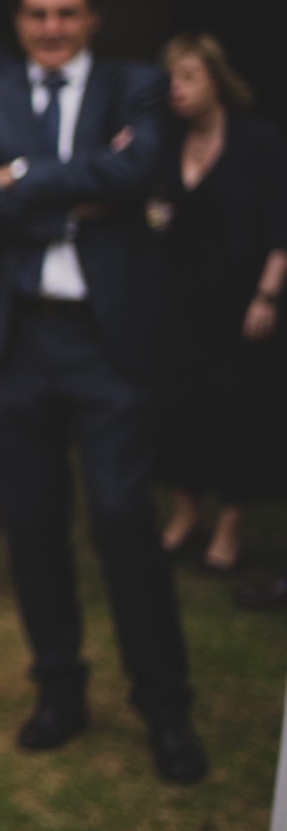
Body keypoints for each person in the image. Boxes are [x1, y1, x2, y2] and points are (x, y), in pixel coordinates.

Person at [0, 0, 204, 784]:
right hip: (16, 339)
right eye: (37, 14)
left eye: (67, 13)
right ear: (18, 22)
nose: (52, 28)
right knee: (30, 524)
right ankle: (59, 688)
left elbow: (140, 169)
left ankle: (166, 706)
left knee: (126, 518)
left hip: (107, 340)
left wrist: (20, 179)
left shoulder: (135, 87)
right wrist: (70, 188)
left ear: (92, 17)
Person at [154, 33, 287, 575]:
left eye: (188, 77)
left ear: (216, 80)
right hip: (177, 306)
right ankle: (186, 514)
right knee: (177, 409)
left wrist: (267, 295)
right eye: (171, 79)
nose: (177, 90)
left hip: (239, 301)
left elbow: (281, 226)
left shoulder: (257, 142)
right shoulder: (165, 144)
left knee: (238, 410)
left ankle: (229, 528)